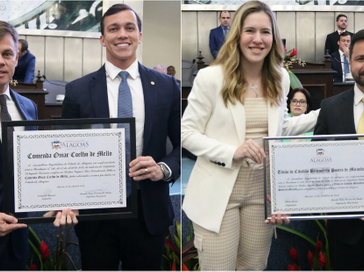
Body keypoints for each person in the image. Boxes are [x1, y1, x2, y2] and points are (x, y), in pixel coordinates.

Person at [182, 1, 319, 270]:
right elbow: (187, 133)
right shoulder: (210, 78)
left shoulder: (279, 77)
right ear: (237, 35)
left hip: (261, 193)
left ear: (274, 37)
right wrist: (234, 151)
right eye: (250, 31)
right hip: (218, 194)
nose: (258, 39)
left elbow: (281, 129)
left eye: (265, 32)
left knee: (254, 267)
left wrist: (325, 113)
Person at [60, 4, 180, 270]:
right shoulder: (78, 91)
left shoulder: (167, 87)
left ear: (140, 35)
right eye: (113, 29)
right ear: (103, 38)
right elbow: (65, 152)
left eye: (129, 27)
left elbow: (184, 145)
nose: (122, 34)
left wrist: (164, 169)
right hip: (96, 217)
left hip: (148, 211)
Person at [314, 29, 364, 270]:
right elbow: (314, 164)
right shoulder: (330, 107)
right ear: (350, 61)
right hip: (345, 234)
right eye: (361, 58)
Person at [0, 21, 38, 270]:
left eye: (6, 54)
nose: (1, 61)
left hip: (17, 239)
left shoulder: (28, 107)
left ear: (16, 59)